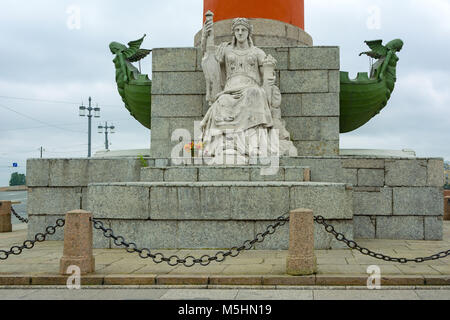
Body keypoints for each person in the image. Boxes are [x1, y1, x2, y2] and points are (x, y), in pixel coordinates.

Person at [200, 16, 297, 164]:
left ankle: (253, 145)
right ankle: (227, 145)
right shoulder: (225, 50)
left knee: (255, 93)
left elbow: (267, 74)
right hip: (230, 89)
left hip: (251, 87)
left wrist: (269, 71)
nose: (240, 33)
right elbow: (210, 59)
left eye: (243, 30)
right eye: (237, 30)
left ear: (248, 32)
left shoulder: (257, 52)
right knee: (222, 101)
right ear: (233, 33)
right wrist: (207, 38)